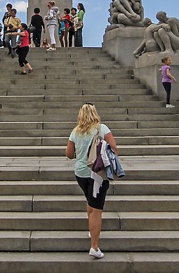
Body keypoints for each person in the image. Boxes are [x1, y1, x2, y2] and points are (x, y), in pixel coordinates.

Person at [65, 104, 118, 260]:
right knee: (97, 208)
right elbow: (114, 148)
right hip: (98, 173)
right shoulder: (102, 129)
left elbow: (68, 154)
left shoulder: (75, 131)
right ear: (95, 113)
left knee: (91, 201)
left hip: (80, 173)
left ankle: (91, 229)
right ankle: (94, 247)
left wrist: (80, 154)